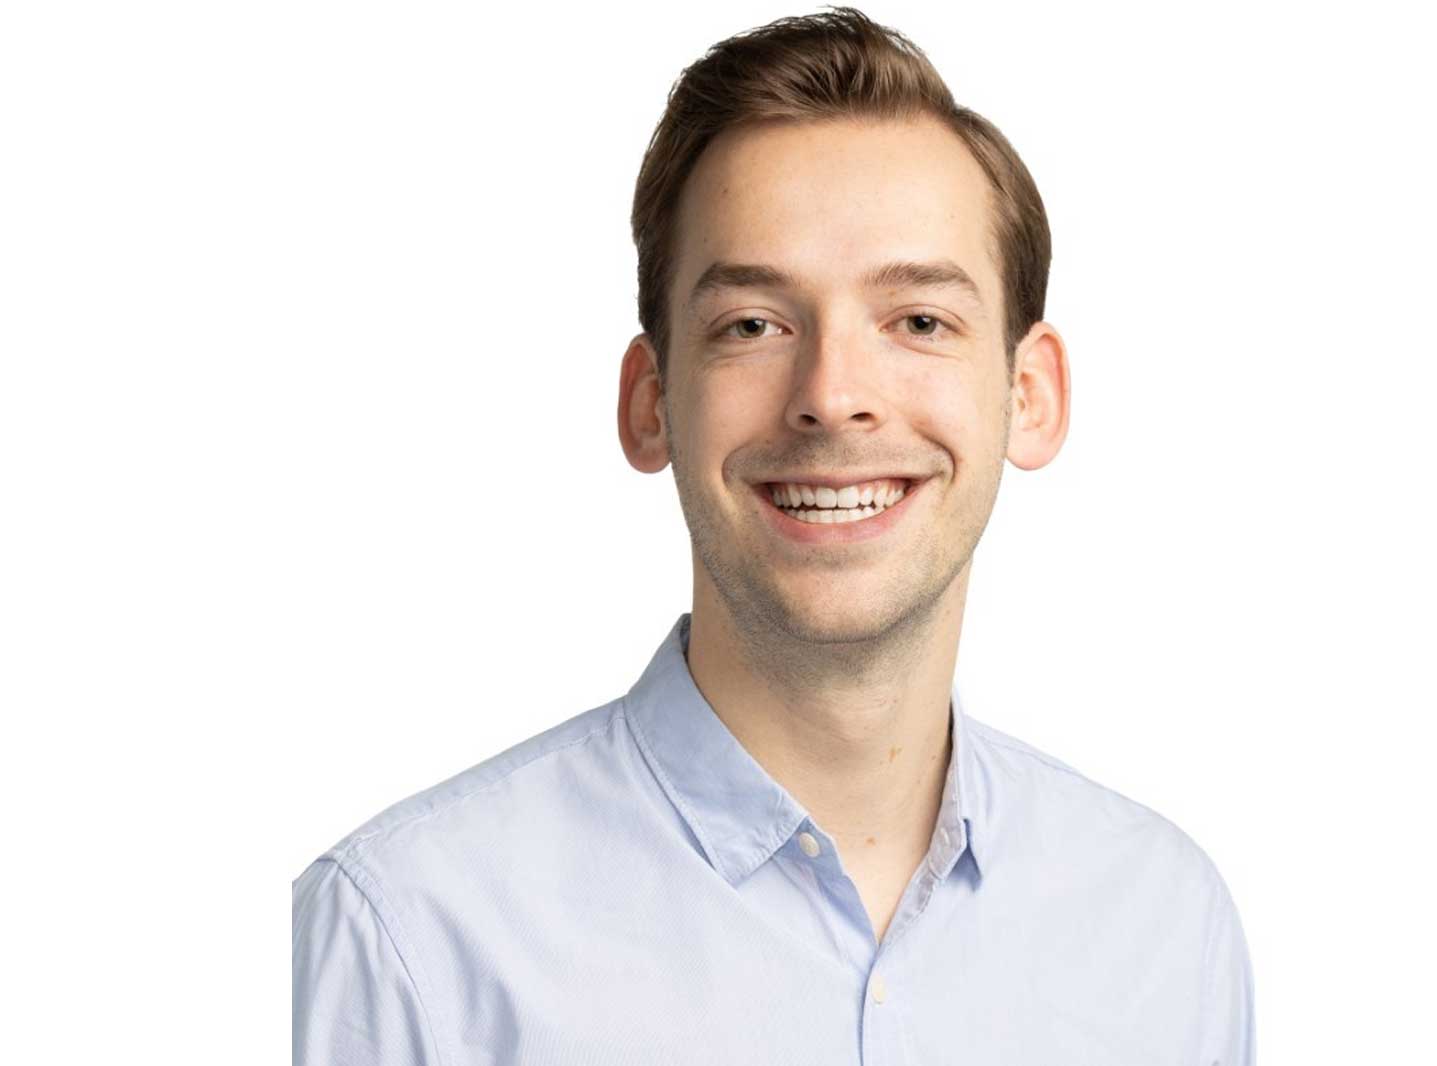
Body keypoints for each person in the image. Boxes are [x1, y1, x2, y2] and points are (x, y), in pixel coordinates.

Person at [291, 7, 1255, 1064]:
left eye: (918, 321)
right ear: (652, 403)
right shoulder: (406, 942)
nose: (832, 396)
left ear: (1029, 395)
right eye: (752, 324)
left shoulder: (1164, 928)